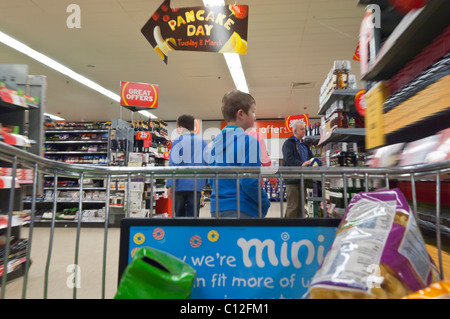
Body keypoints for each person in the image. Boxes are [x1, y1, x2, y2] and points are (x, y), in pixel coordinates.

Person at [209, 89, 271, 218]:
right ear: (241, 114)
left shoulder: (216, 142)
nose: (255, 116)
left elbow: (210, 178)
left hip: (217, 208)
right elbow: (249, 181)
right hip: (243, 208)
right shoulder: (250, 142)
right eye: (253, 112)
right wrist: (265, 202)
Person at [166, 114, 209, 217]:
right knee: (193, 215)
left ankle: (181, 232)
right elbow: (208, 163)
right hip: (196, 184)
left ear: (180, 127)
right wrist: (205, 181)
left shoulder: (177, 142)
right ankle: (193, 233)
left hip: (179, 184)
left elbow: (173, 164)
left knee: (179, 215)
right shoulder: (203, 143)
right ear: (193, 126)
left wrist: (170, 185)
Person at [282, 120, 313, 218]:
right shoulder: (288, 143)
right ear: (295, 131)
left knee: (301, 207)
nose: (304, 131)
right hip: (292, 180)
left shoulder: (305, 145)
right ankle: (288, 230)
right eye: (302, 129)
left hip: (303, 179)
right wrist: (301, 164)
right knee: (293, 207)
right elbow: (289, 159)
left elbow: (310, 157)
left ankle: (299, 229)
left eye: (305, 129)